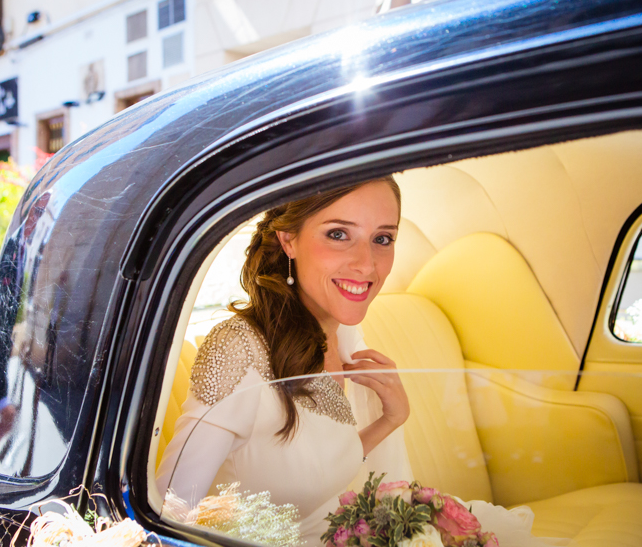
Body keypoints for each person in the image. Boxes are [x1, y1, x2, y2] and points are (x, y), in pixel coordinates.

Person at [156, 178, 564, 547]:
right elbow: (166, 512)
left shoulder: (345, 335)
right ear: (288, 240)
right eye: (338, 234)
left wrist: (390, 419)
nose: (367, 265)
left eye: (382, 239)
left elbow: (320, 462)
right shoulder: (237, 349)